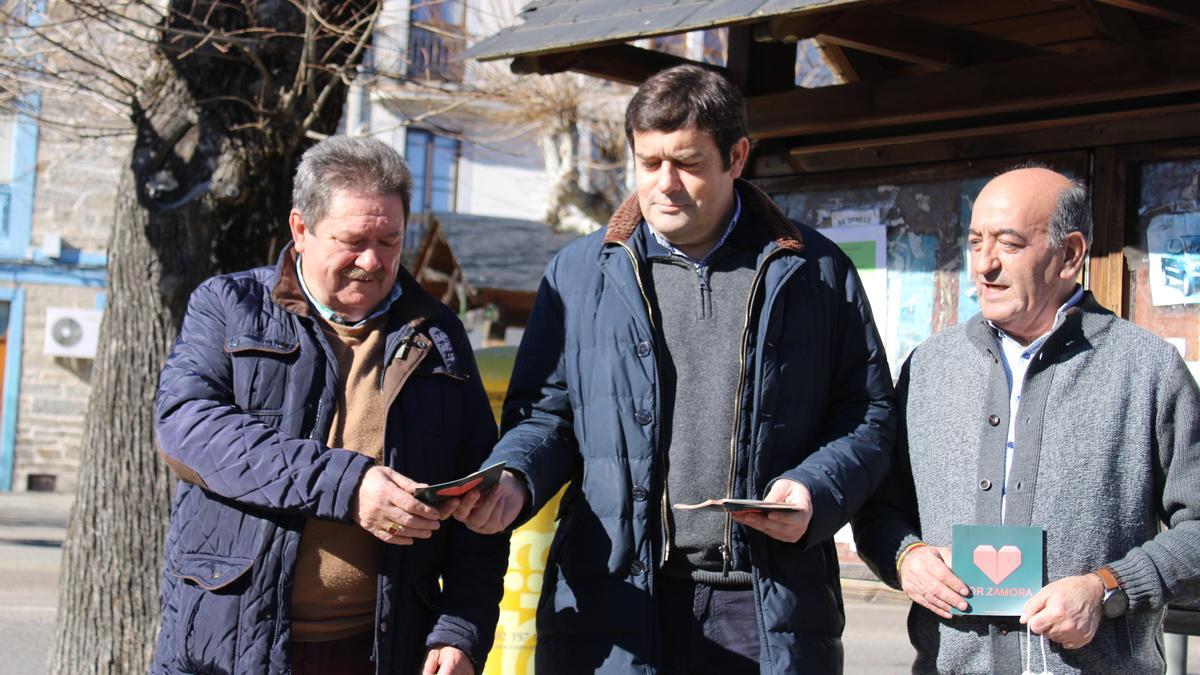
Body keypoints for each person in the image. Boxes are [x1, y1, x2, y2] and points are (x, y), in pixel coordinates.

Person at [453, 64, 896, 674]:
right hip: (614, 595)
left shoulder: (817, 272)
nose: (665, 184)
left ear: (736, 156)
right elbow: (546, 416)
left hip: (764, 599)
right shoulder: (579, 274)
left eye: (686, 163)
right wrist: (516, 478)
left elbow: (868, 414)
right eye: (648, 162)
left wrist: (816, 490)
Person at [151, 136, 508, 675]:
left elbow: (478, 505)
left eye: (390, 241)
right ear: (301, 229)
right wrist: (350, 485)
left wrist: (461, 629)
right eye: (353, 240)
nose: (373, 261)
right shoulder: (228, 306)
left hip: (381, 648)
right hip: (227, 642)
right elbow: (187, 427)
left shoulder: (438, 333)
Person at [853, 166, 1200, 673]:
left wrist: (1107, 589)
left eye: (1009, 245)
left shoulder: (1146, 367)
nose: (984, 266)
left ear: (1071, 253)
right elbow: (878, 509)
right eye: (975, 243)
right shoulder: (928, 367)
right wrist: (906, 558)